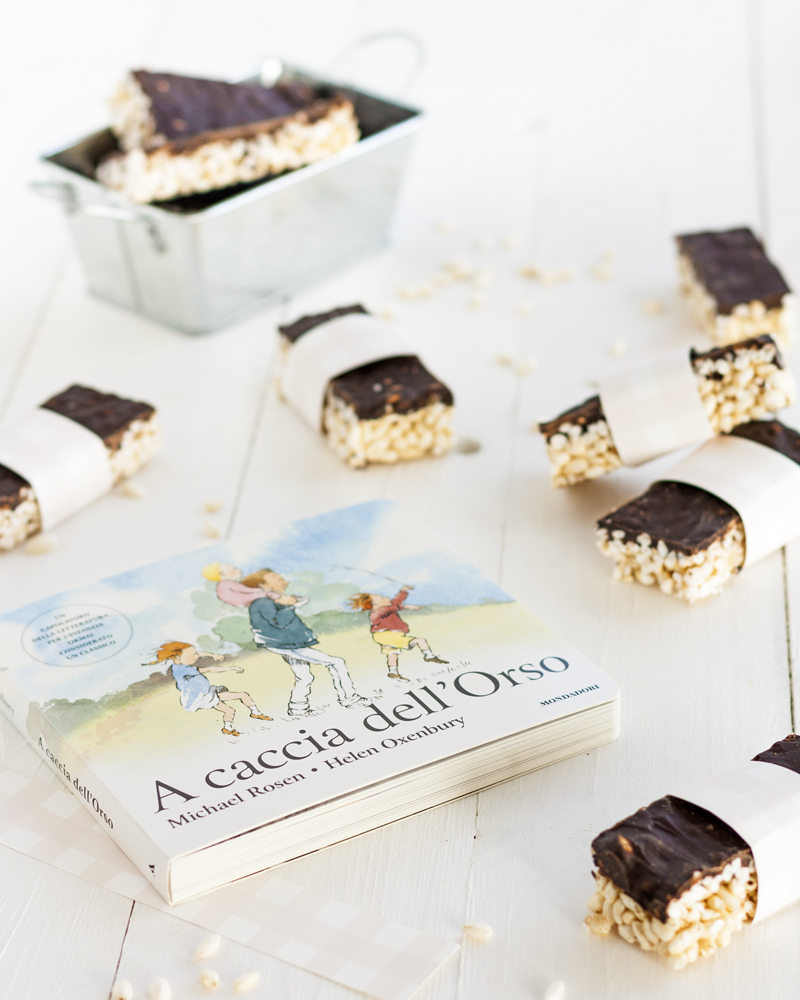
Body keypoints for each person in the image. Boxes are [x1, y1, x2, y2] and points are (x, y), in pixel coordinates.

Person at [213, 566, 367, 718]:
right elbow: (279, 622)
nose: (283, 581)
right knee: (336, 663)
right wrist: (290, 605)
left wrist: (292, 603)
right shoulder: (262, 602)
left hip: (288, 644)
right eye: (277, 579)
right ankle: (349, 698)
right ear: (262, 586)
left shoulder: (267, 601)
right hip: (285, 644)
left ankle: (298, 709)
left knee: (304, 676)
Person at [151, 641, 271, 736]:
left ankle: (247, 718)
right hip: (202, 697)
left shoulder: (181, 662)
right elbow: (209, 669)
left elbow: (200, 654)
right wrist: (231, 668)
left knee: (235, 704)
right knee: (233, 706)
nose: (196, 656)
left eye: (195, 653)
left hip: (208, 692)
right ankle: (234, 725)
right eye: (193, 654)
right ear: (177, 657)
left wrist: (213, 655)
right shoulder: (182, 670)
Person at [348, 585, 448, 681]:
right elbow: (390, 608)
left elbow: (396, 602)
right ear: (375, 604)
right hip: (386, 635)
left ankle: (393, 672)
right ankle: (429, 656)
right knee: (420, 640)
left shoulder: (387, 607)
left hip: (389, 635)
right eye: (382, 597)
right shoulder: (376, 612)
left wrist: (403, 591)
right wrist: (406, 606)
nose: (386, 597)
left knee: (392, 652)